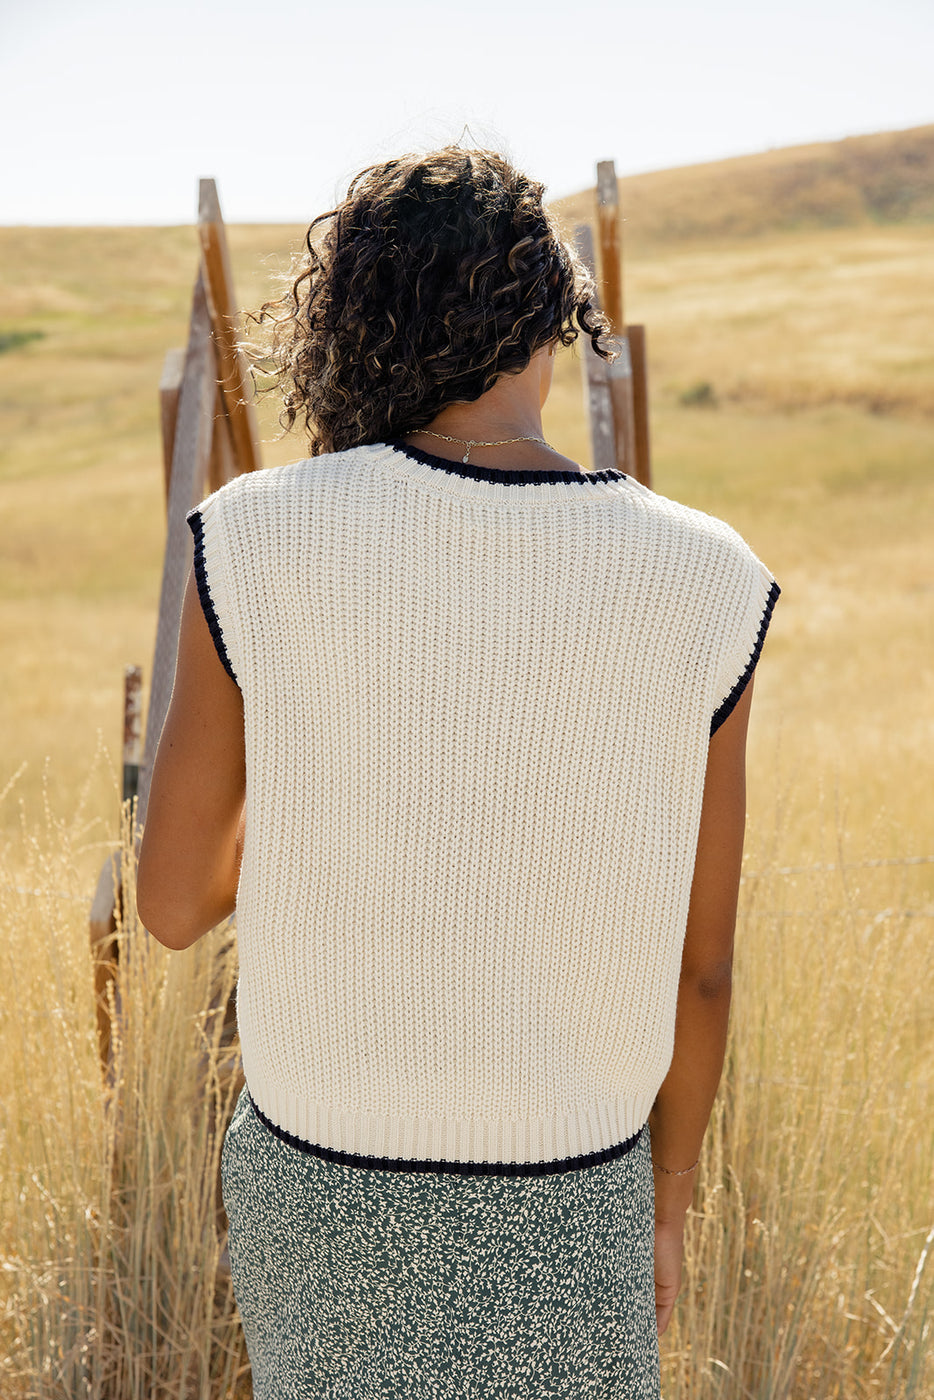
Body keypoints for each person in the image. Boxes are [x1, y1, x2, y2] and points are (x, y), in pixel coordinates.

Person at [136, 147, 779, 1399]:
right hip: (574, 1188)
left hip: (320, 1178)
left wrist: (350, 817)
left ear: (352, 335)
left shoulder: (253, 537)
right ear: (554, 323)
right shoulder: (708, 577)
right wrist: (667, 1200)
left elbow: (167, 905)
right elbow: (700, 966)